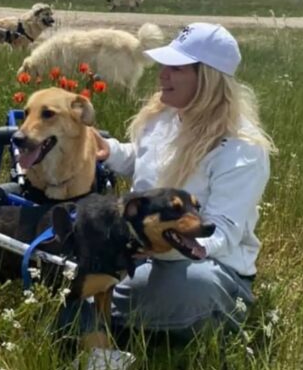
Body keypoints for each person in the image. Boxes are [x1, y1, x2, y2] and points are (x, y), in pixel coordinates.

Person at [94, 22, 276, 342]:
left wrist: (155, 247)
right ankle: (109, 312)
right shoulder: (164, 117)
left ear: (207, 79)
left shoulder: (241, 149)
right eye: (165, 64)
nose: (162, 74)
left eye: (176, 67)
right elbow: (141, 160)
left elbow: (221, 234)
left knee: (190, 288)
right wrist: (109, 152)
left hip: (205, 267)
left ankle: (97, 315)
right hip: (142, 252)